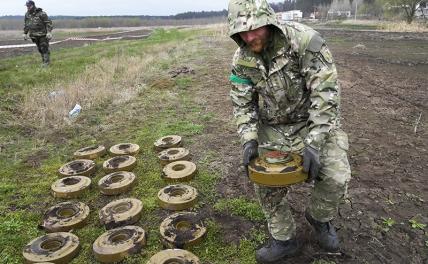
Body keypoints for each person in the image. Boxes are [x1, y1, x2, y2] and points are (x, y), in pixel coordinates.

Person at [227, 0, 351, 263]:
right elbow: (242, 102)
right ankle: (284, 239)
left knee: (336, 177)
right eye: (242, 32)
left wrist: (314, 143)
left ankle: (319, 218)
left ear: (270, 23)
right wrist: (249, 139)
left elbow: (326, 95)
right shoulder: (241, 60)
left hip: (314, 122)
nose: (250, 37)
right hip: (273, 128)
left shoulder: (306, 42)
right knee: (264, 181)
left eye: (256, 29)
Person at [23, 0, 53, 66]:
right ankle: (44, 62)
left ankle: (46, 63)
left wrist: (49, 32)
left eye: (29, 6)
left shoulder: (41, 13)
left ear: (33, 5)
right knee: (40, 49)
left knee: (44, 48)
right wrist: (25, 33)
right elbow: (26, 24)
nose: (28, 7)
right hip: (34, 35)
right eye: (27, 6)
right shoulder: (27, 14)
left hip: (43, 35)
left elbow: (48, 23)